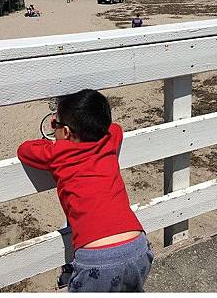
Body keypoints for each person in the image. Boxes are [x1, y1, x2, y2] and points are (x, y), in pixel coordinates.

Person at [17, 89, 153, 292]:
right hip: (138, 246)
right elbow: (115, 128)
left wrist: (54, 141)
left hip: (97, 259)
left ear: (67, 132)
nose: (54, 127)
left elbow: (24, 149)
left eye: (56, 124)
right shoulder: (110, 139)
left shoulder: (57, 152)